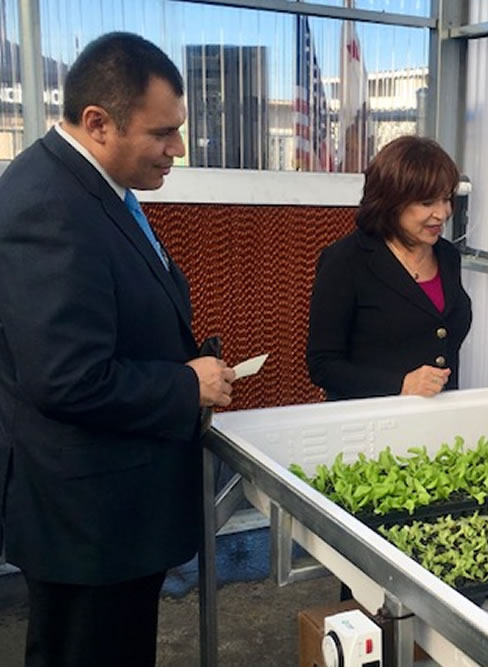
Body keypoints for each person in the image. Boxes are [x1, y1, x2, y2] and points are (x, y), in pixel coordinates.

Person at [0, 33, 235, 667]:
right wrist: (185, 386)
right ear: (99, 123)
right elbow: (66, 378)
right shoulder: (49, 206)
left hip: (114, 516)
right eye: (163, 133)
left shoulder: (98, 189)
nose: (177, 149)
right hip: (88, 526)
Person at [307, 136, 473, 400]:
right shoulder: (346, 260)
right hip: (371, 418)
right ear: (391, 202)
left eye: (446, 199)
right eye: (427, 202)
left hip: (439, 414)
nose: (442, 213)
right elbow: (323, 365)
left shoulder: (447, 255)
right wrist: (400, 384)